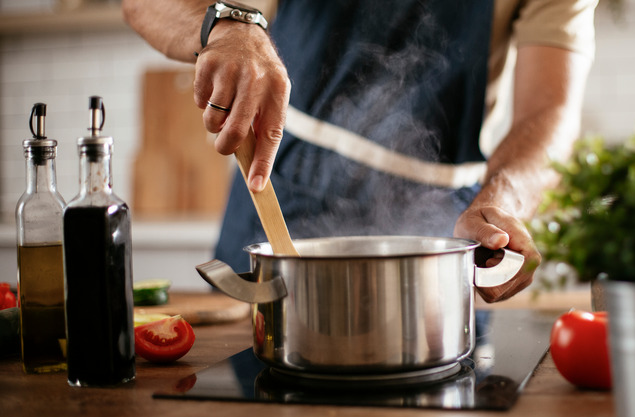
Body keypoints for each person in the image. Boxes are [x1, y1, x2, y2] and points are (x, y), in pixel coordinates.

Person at [122, 0, 596, 303]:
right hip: (283, 198)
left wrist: (504, 203)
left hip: (447, 227)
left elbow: (549, 111)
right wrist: (228, 28)